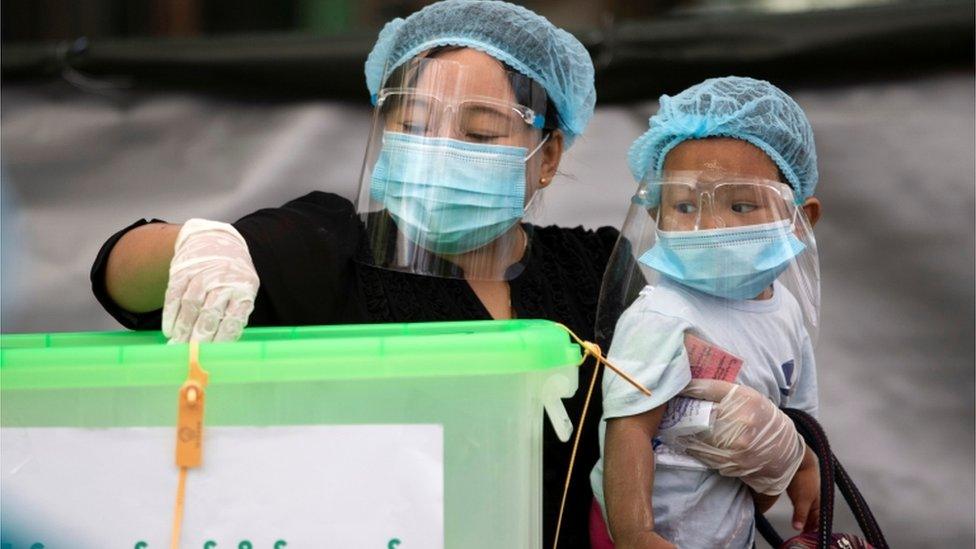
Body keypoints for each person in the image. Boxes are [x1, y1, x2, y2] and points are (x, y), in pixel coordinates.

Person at [90, 1, 611, 546]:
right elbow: (117, 277)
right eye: (412, 125)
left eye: (480, 134)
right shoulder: (326, 246)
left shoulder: (593, 272)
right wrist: (195, 244)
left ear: (548, 156)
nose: (438, 153)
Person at [590, 76, 824, 548]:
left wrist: (805, 463)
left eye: (741, 205)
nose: (711, 225)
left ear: (801, 221)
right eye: (684, 204)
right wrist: (635, 532)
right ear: (655, 215)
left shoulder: (786, 311)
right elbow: (629, 429)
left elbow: (798, 416)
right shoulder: (662, 316)